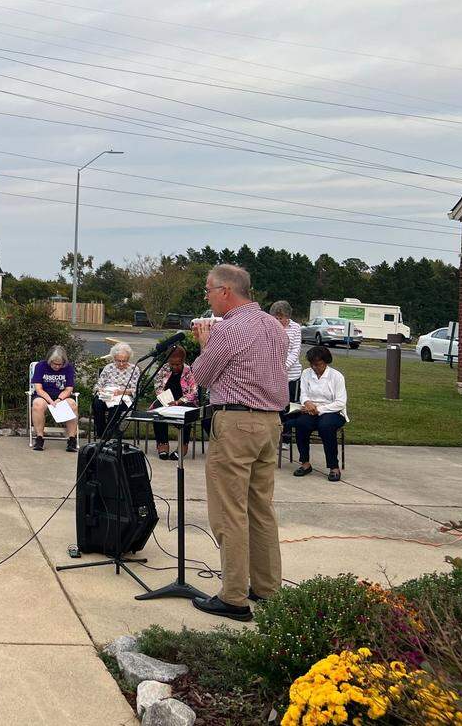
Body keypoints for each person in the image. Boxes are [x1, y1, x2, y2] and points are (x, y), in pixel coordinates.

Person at [190, 264, 288, 621]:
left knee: (230, 511)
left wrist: (204, 344)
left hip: (236, 423)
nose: (207, 297)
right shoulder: (275, 328)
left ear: (226, 291)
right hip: (270, 423)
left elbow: (201, 375)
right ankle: (267, 588)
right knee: (260, 508)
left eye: (208, 290)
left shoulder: (229, 329)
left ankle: (233, 596)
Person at [283, 345, 348, 482]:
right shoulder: (306, 373)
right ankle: (305, 463)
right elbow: (304, 394)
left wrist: (318, 409)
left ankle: (333, 467)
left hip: (332, 411)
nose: (314, 367)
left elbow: (340, 402)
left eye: (317, 364)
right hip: (310, 409)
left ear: (326, 362)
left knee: (326, 426)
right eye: (312, 364)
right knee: (301, 424)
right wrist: (307, 403)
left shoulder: (336, 376)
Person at [148, 345, 199, 460]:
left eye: (177, 364)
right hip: (167, 400)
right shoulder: (163, 369)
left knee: (187, 414)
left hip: (185, 401)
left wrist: (178, 401)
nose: (174, 367)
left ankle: (183, 444)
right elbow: (158, 386)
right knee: (157, 412)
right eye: (172, 364)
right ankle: (162, 443)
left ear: (183, 361)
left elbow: (194, 391)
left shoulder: (189, 371)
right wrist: (165, 399)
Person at [30, 345, 79, 452]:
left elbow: (69, 388)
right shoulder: (41, 366)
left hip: (61, 396)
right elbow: (38, 389)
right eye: (54, 364)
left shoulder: (68, 367)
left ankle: (71, 439)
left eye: (59, 364)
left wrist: (59, 400)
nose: (57, 366)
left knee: (72, 404)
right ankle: (39, 438)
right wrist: (50, 401)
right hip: (43, 395)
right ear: (49, 360)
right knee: (38, 404)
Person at [93, 343, 138, 440]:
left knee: (116, 406)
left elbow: (135, 390)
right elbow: (98, 384)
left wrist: (121, 392)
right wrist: (100, 390)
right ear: (114, 358)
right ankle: (101, 432)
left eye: (124, 361)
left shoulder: (134, 369)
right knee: (97, 404)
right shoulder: (109, 367)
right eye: (118, 361)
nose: (121, 364)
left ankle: (108, 433)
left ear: (129, 359)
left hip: (124, 396)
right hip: (107, 395)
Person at [270, 300, 303, 403]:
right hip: (274, 375)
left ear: (288, 316)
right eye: (276, 318)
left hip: (292, 375)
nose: (278, 320)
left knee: (292, 405)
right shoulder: (269, 327)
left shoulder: (296, 327)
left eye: (281, 318)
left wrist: (283, 366)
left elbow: (295, 351)